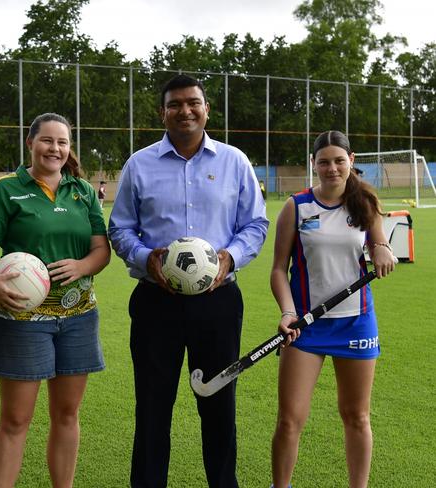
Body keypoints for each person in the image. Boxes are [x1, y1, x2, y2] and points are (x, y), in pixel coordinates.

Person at [108, 74, 269, 488]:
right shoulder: (139, 164)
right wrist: (147, 259)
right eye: (175, 104)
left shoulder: (234, 162)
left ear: (206, 109)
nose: (185, 110)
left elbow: (255, 224)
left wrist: (228, 258)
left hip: (218, 303)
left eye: (192, 102)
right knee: (152, 407)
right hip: (154, 301)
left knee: (219, 406)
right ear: (163, 112)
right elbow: (120, 228)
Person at [0, 112, 110, 488]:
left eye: (62, 142)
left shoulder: (81, 191)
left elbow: (101, 250)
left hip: (78, 317)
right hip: (21, 319)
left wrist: (82, 266)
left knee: (67, 414)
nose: (55, 148)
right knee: (15, 420)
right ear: (30, 144)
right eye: (47, 140)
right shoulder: (5, 190)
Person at [269, 131, 396, 488]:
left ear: (351, 161)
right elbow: (279, 269)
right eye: (323, 161)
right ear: (313, 164)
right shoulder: (297, 206)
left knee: (356, 416)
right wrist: (286, 312)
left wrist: (382, 247)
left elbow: (378, 243)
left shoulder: (365, 202)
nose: (332, 168)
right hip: (305, 326)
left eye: (339, 160)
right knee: (289, 420)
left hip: (356, 323)